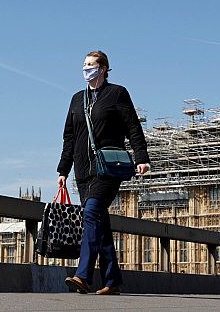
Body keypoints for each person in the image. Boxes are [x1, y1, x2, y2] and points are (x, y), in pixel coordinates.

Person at [57, 50, 150, 295]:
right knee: (99, 222)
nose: (86, 69)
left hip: (108, 168)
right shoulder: (77, 99)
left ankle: (83, 275)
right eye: (84, 65)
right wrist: (63, 169)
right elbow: (69, 136)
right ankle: (112, 281)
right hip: (83, 170)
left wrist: (142, 158)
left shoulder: (117, 93)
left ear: (104, 68)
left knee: (90, 213)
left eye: (91, 65)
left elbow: (133, 127)